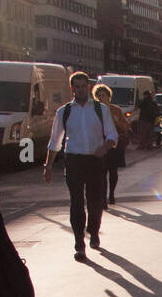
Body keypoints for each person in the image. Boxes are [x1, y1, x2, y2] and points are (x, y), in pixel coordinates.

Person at [43, 71, 116, 261]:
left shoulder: (101, 110)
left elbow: (112, 135)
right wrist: (48, 166)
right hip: (74, 160)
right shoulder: (64, 112)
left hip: (95, 160)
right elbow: (54, 142)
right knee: (76, 202)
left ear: (89, 87)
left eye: (84, 86)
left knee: (95, 201)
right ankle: (79, 244)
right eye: (77, 86)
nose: (81, 90)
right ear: (72, 88)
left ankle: (93, 230)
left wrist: (105, 146)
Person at [93, 84, 131, 206]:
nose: (101, 98)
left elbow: (125, 126)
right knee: (102, 172)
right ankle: (103, 198)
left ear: (108, 97)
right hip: (101, 144)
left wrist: (117, 121)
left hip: (114, 144)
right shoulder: (94, 110)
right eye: (98, 96)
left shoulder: (116, 110)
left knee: (113, 171)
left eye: (103, 96)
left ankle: (111, 194)